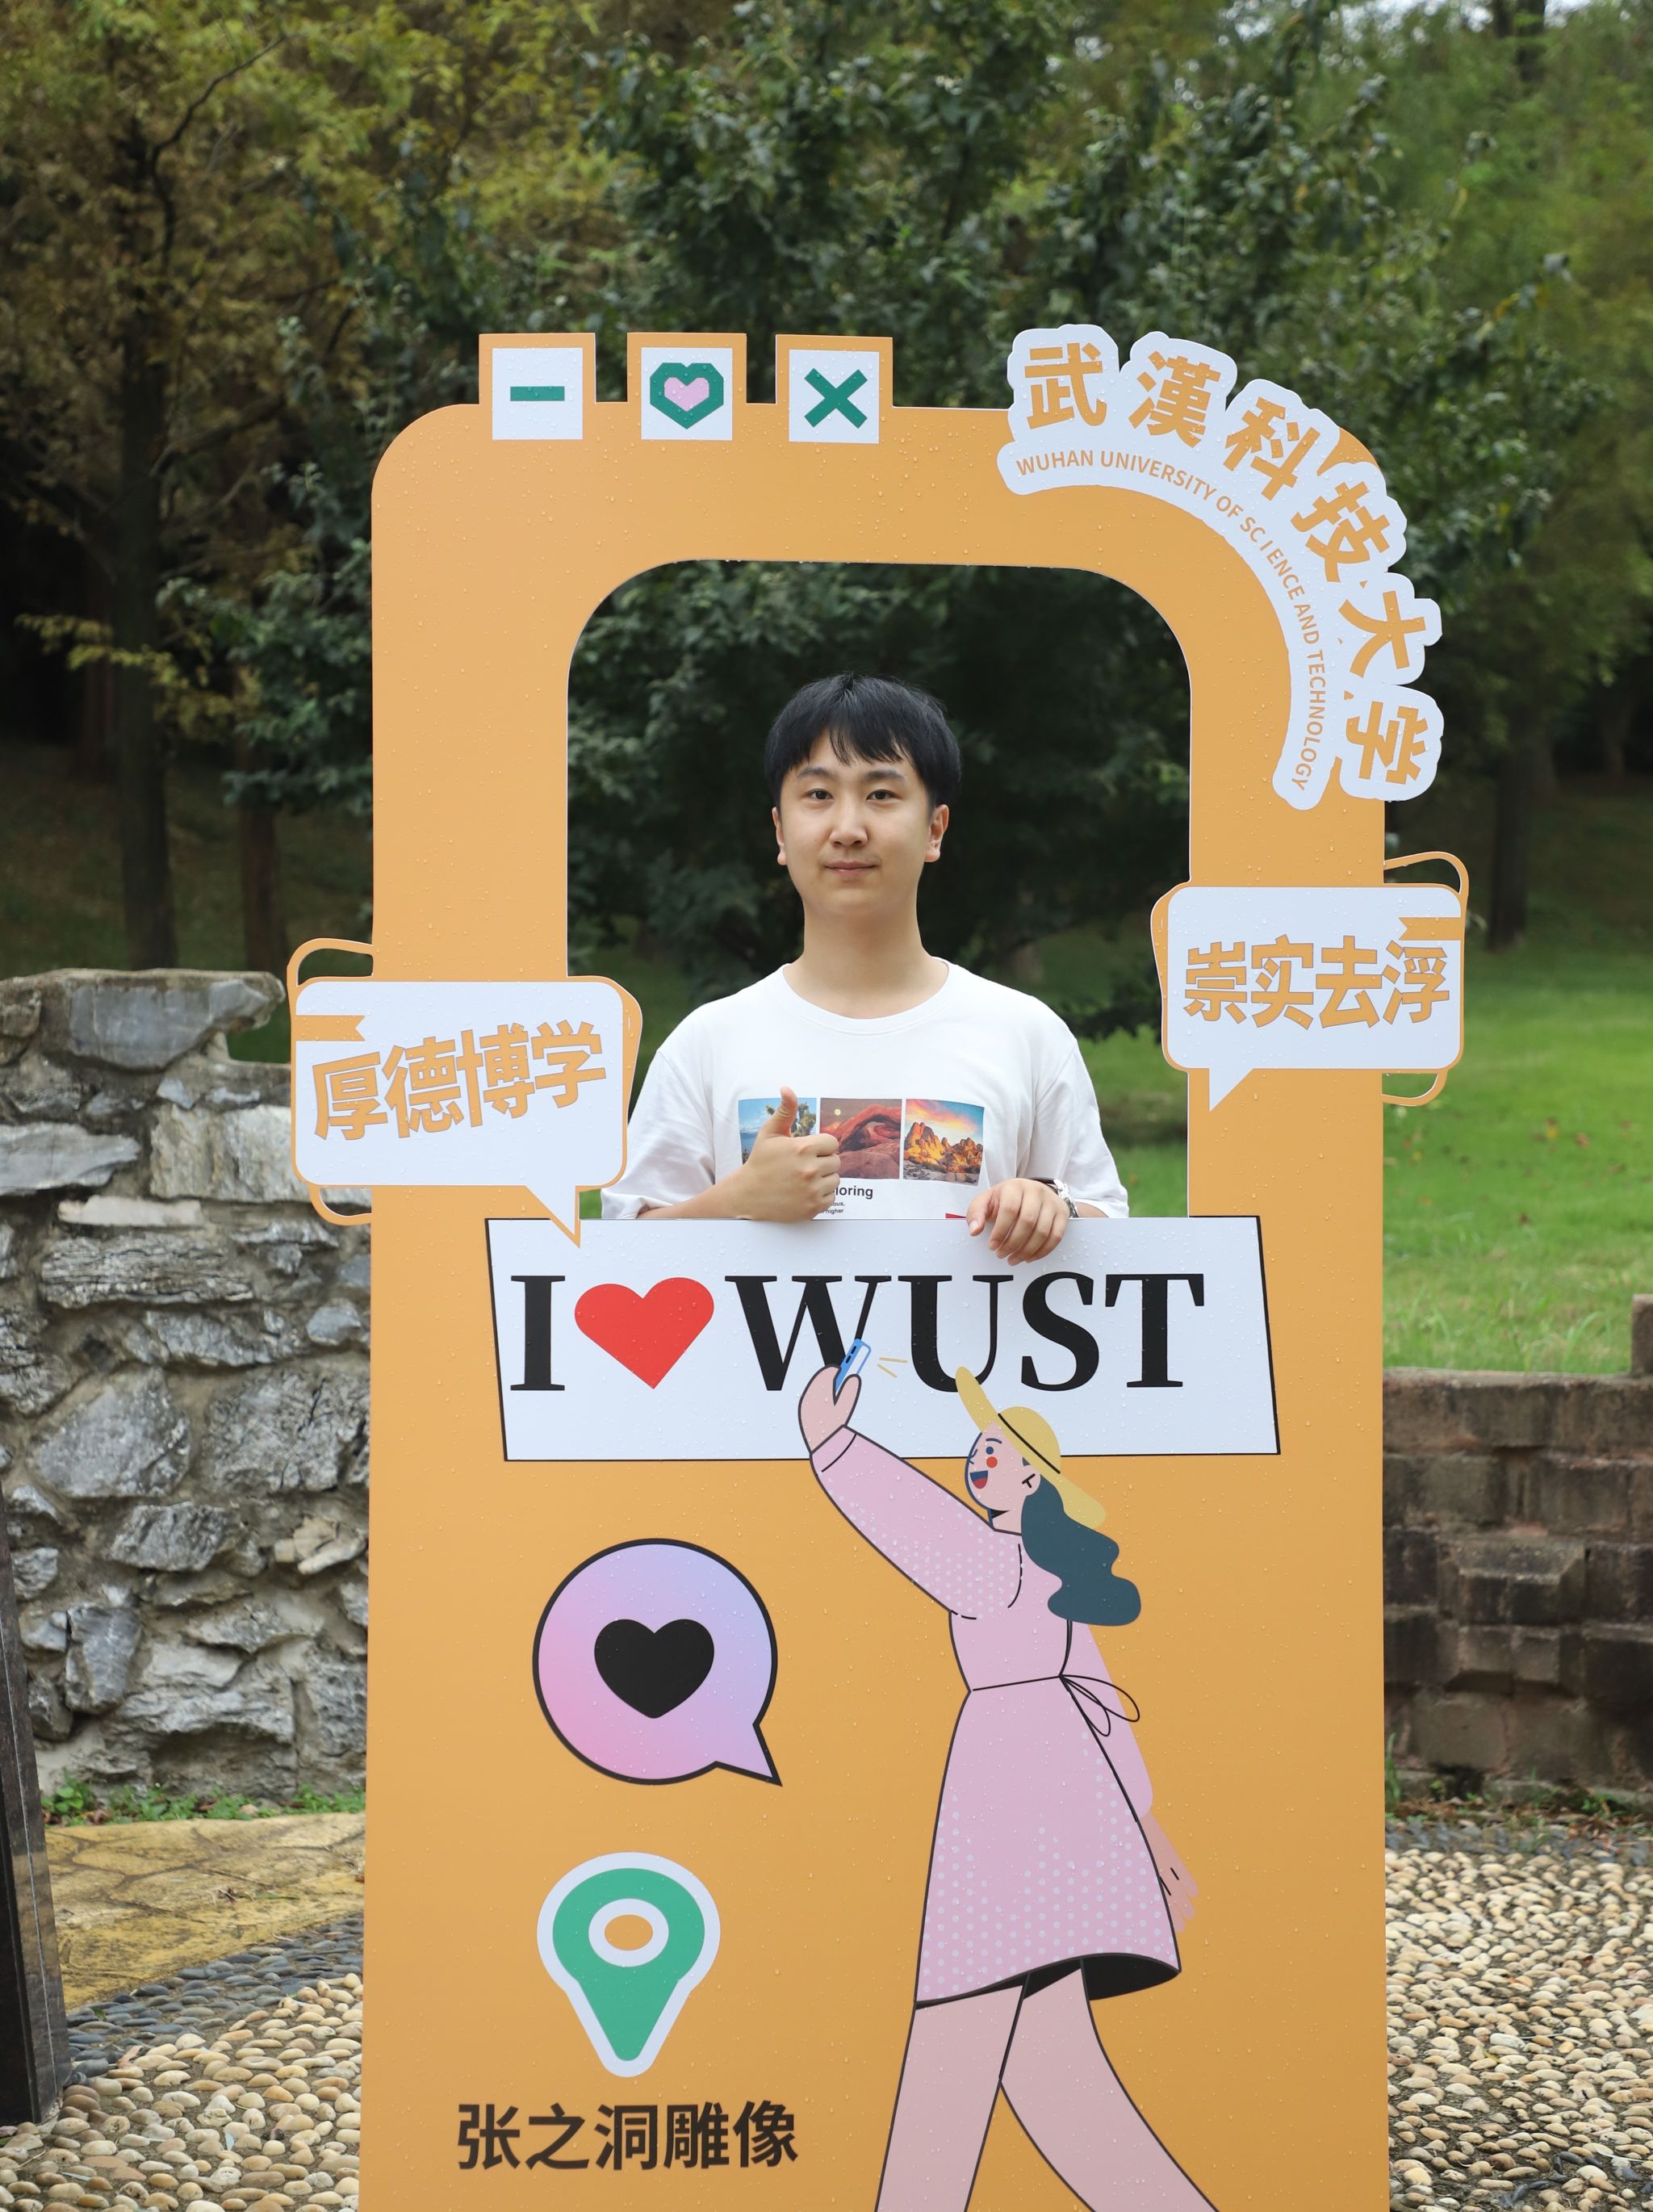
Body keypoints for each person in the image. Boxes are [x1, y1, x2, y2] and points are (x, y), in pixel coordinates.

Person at [797, 1358, 1216, 2212]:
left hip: (1015, 1806)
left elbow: (914, 1523)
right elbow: (1097, 1698)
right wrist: (1144, 1832)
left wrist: (832, 1444)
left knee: (954, 2043)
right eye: (978, 1447)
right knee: (1060, 2085)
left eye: (999, 1450)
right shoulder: (1045, 1575)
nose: (979, 1458)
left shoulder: (1001, 1568)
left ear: (1033, 1477)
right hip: (1063, 1804)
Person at [601, 673, 1128, 1260]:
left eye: (880, 795)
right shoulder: (707, 1043)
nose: (848, 830)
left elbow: (1109, 1223)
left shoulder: (1025, 1034)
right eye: (818, 795)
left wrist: (1052, 1204)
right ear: (780, 831)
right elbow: (618, 1253)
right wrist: (737, 1201)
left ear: (934, 829)